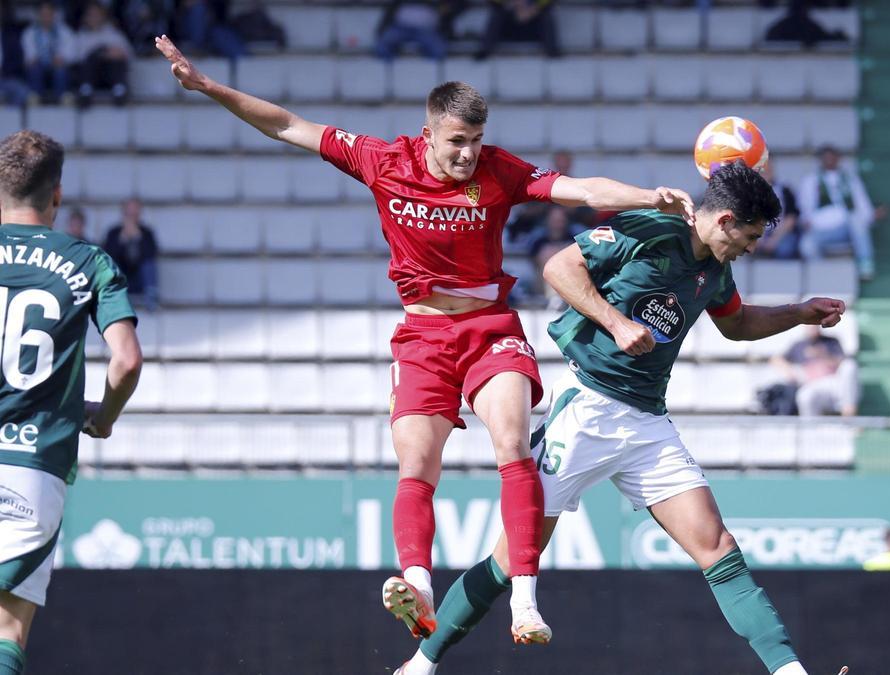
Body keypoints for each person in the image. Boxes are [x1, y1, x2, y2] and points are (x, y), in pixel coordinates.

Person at [156, 35, 696, 647]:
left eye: (476, 140)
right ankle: (418, 587)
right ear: (430, 132)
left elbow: (580, 189)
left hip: (490, 328)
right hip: (423, 336)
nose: (468, 154)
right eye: (456, 141)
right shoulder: (384, 161)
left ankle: (524, 600)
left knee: (514, 444)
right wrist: (208, 87)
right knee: (416, 464)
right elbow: (287, 126)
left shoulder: (500, 171)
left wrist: (649, 196)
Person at [397, 161, 846, 675]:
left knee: (719, 549)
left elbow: (738, 324)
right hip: (586, 410)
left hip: (647, 424)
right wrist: (616, 322)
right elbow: (559, 268)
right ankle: (419, 665)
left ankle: (791, 672)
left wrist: (801, 311)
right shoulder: (649, 228)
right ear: (723, 219)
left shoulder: (716, 269)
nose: (750, 247)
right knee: (509, 560)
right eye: (747, 236)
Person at [0, 129, 143, 675]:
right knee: (7, 630)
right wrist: (101, 418)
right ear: (56, 195)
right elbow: (126, 360)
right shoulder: (88, 261)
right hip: (33, 467)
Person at [798, 145, 886, 281]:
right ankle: (819, 277)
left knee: (857, 220)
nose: (829, 160)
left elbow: (863, 206)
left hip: (846, 228)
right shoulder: (811, 181)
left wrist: (872, 215)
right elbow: (805, 208)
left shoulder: (851, 180)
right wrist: (807, 221)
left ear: (838, 159)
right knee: (807, 245)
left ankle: (865, 264)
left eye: (832, 157)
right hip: (822, 229)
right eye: (825, 157)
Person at [769, 324, 858, 417]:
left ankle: (849, 413)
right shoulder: (799, 345)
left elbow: (841, 362)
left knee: (850, 366)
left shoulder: (831, 341)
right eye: (809, 325)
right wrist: (789, 371)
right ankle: (810, 429)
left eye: (814, 325)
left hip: (833, 382)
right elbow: (776, 359)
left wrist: (823, 355)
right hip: (813, 384)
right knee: (805, 395)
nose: (812, 327)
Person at [102, 199, 159, 311]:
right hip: (122, 276)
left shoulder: (147, 233)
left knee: (149, 265)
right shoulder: (113, 233)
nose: (132, 217)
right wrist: (122, 239)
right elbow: (108, 256)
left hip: (140, 277)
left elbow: (151, 255)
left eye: (135, 214)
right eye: (129, 214)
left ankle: (151, 300)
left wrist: (138, 237)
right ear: (123, 214)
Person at [74, 3, 132, 107]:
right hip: (90, 76)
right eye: (91, 15)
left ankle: (119, 91)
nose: (94, 18)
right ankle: (85, 91)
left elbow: (128, 53)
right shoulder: (80, 36)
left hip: (110, 76)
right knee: (93, 57)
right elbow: (76, 57)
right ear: (85, 18)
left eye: (97, 15)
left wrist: (114, 54)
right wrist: (100, 54)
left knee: (116, 62)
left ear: (103, 16)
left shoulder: (113, 33)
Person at [21, 2, 75, 105]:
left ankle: (62, 97)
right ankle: (35, 97)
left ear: (54, 15)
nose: (46, 18)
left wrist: (62, 58)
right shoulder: (29, 33)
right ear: (38, 15)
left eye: (49, 14)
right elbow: (29, 56)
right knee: (35, 69)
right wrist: (34, 59)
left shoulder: (64, 31)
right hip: (38, 66)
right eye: (43, 15)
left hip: (58, 66)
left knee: (60, 71)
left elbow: (71, 54)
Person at [474, 0, 560, 61]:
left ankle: (552, 50)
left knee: (546, 17)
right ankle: (485, 49)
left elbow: (547, 2)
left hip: (533, 19)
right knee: (496, 16)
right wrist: (511, 5)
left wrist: (533, 9)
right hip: (509, 20)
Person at [754, 161, 801, 259]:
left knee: (785, 249)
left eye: (768, 169)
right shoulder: (750, 192)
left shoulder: (785, 189)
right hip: (758, 234)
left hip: (781, 233)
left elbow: (791, 218)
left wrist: (774, 240)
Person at [375, 0, 448, 61]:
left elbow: (443, 16)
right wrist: (381, 29)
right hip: (401, 28)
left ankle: (427, 69)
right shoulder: (399, 2)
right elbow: (389, 14)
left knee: (438, 50)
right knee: (383, 46)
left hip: (425, 29)